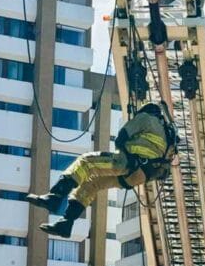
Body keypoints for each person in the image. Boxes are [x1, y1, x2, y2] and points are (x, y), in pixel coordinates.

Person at [29, 102, 179, 238]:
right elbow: (163, 172)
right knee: (92, 184)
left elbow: (122, 137)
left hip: (128, 162)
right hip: (139, 176)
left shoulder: (146, 118)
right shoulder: (168, 138)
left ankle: (55, 197)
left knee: (86, 162)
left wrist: (124, 155)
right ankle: (66, 224)